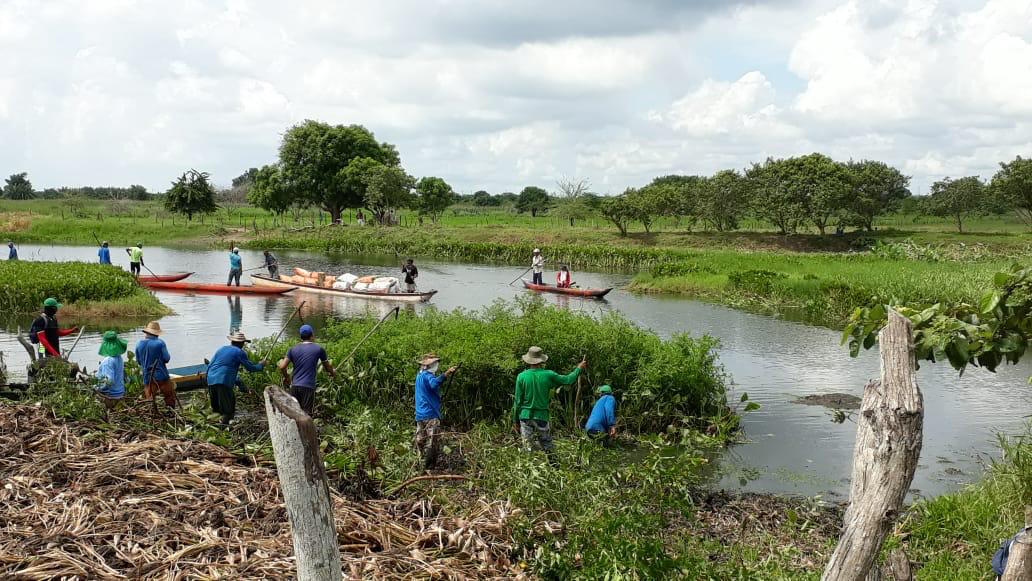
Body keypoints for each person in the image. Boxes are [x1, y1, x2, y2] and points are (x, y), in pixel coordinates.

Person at [512, 346, 585, 464]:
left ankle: (528, 470)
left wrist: (515, 420)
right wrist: (578, 369)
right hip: (541, 416)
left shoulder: (521, 376)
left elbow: (517, 402)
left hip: (525, 416)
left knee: (527, 446)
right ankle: (555, 467)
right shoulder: (548, 374)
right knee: (547, 444)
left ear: (528, 360)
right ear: (541, 360)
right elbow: (568, 380)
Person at [206, 331, 264, 427]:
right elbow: (251, 368)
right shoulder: (239, 352)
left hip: (211, 379)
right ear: (242, 344)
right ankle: (223, 430)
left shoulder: (221, 349)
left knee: (216, 410)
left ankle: (214, 428)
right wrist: (261, 365)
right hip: (223, 381)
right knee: (228, 410)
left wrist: (244, 389)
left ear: (232, 342)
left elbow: (210, 366)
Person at [278, 324, 336, 416]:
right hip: (308, 387)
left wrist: (287, 377)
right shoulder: (319, 349)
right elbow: (327, 367)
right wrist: (333, 373)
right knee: (306, 415)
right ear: (312, 335)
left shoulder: (292, 349)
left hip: (295, 386)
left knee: (294, 414)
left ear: (300, 336)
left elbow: (282, 366)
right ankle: (305, 430)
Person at [413, 353, 457, 469]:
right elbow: (434, 384)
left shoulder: (419, 376)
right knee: (432, 441)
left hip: (420, 414)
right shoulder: (428, 376)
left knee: (420, 439)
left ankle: (419, 462)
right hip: (430, 413)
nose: (436, 365)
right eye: (435, 363)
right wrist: (447, 373)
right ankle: (429, 465)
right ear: (430, 365)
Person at [135, 321, 176, 407]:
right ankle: (171, 414)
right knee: (169, 398)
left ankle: (153, 416)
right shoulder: (160, 343)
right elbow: (166, 358)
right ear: (157, 333)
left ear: (146, 332)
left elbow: (139, 361)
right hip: (162, 376)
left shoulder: (139, 344)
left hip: (148, 377)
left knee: (150, 401)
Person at [95, 331, 127, 400]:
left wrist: (96, 388)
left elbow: (109, 381)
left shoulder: (108, 361)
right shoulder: (119, 357)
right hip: (120, 393)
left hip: (110, 395)